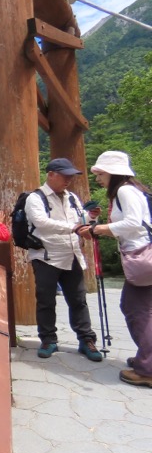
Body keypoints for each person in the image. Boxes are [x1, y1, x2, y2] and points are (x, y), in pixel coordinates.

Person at [25, 157, 102, 361]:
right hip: (46, 257)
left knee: (79, 300)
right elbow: (41, 223)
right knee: (46, 301)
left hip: (72, 255)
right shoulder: (35, 198)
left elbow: (80, 220)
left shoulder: (72, 198)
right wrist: (75, 227)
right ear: (51, 174)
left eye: (71, 176)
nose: (68, 179)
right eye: (64, 175)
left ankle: (86, 340)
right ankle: (48, 340)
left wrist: (91, 218)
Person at [90, 151, 152, 385]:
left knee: (137, 311)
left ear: (113, 173)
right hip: (145, 253)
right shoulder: (133, 189)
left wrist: (100, 229)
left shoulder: (125, 191)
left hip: (140, 256)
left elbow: (133, 223)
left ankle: (147, 370)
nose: (98, 178)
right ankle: (146, 359)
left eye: (101, 173)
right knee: (141, 309)